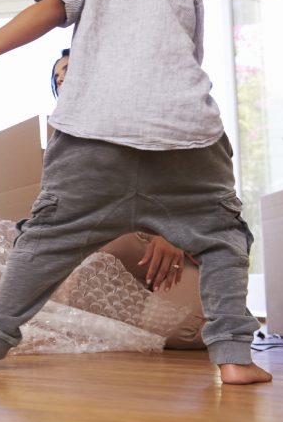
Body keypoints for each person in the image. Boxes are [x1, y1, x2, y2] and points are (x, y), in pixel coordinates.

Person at [0, 0, 270, 384]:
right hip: (187, 137)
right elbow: (189, 62)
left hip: (93, 133)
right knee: (224, 238)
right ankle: (233, 358)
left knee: (45, 241)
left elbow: (52, 9)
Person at [50, 47, 205, 349]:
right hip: (127, 244)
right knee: (75, 282)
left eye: (68, 69)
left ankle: (226, 310)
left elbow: (203, 188)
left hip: (180, 241)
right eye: (56, 78)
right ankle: (146, 299)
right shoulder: (68, 143)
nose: (62, 80)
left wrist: (174, 234)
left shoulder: (152, 112)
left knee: (176, 333)